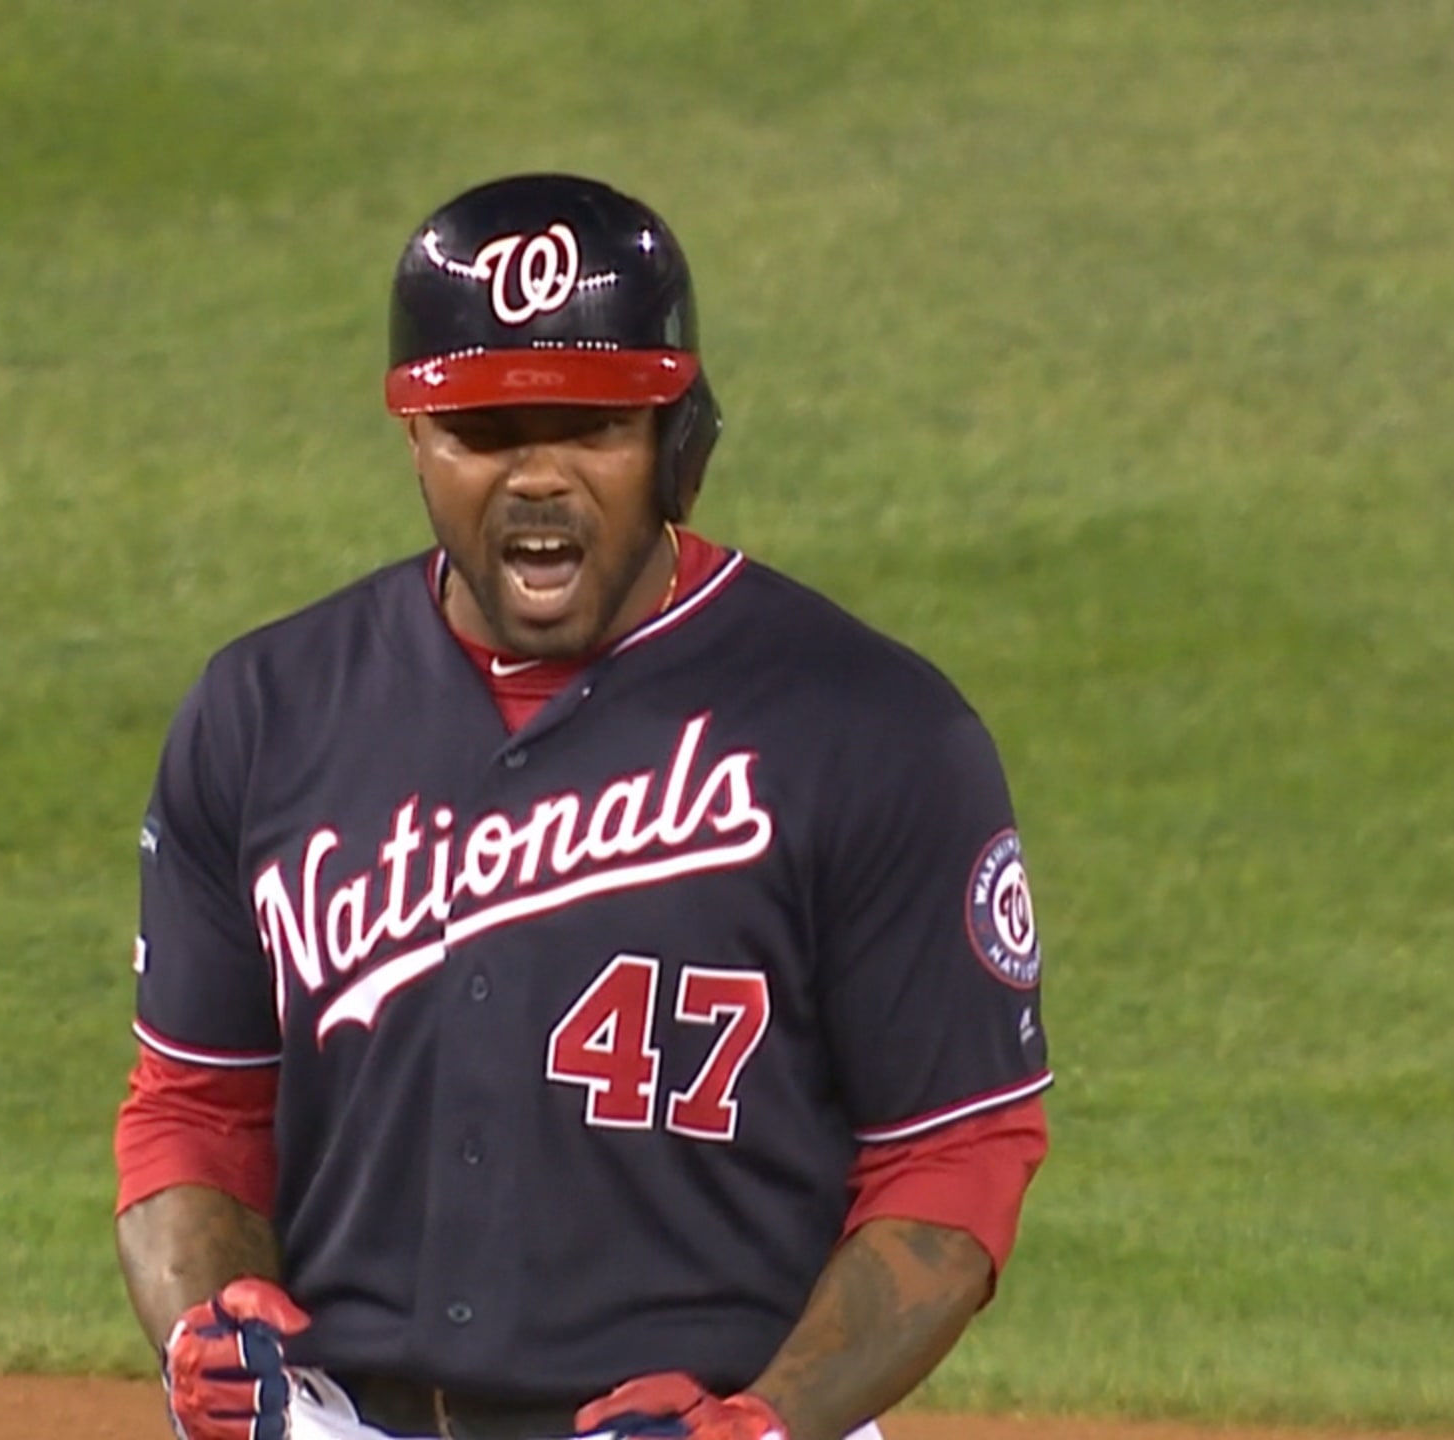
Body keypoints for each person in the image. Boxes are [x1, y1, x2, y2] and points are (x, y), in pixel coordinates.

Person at [112, 173, 1051, 1440]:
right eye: (483, 435)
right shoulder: (264, 710)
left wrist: (765, 1420)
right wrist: (200, 1320)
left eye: (593, 427)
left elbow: (957, 1158)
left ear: (679, 439)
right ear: (412, 438)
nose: (537, 478)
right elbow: (197, 1103)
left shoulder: (872, 731)